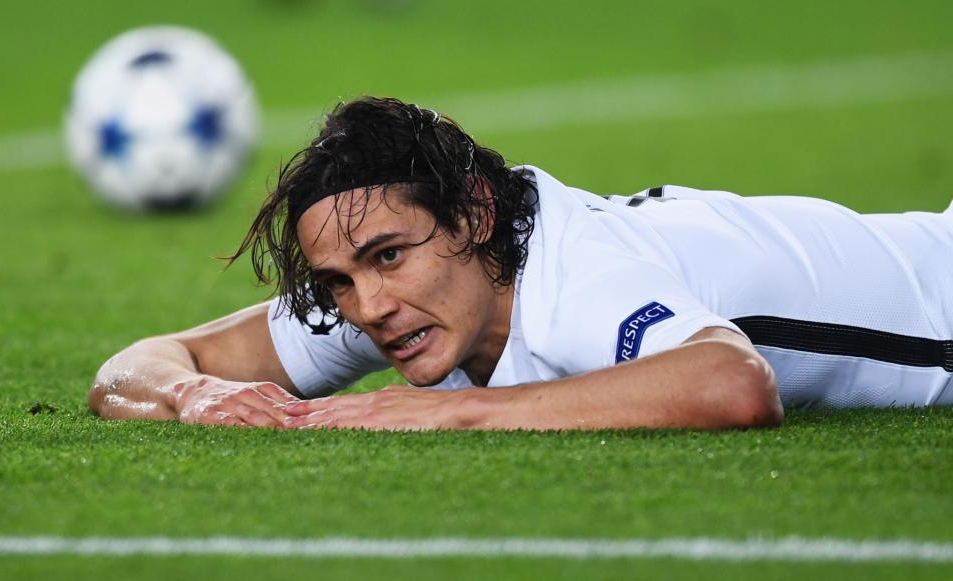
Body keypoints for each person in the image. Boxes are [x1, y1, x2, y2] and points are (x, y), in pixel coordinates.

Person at [88, 96, 953, 431]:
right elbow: (141, 364)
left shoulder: (576, 275)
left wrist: (448, 415)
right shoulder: (409, 296)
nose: (368, 305)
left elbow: (733, 384)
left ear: (473, 215)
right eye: (340, 281)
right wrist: (193, 391)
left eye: (388, 255)